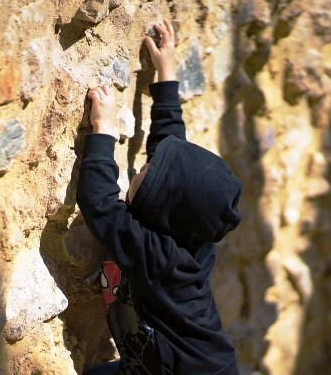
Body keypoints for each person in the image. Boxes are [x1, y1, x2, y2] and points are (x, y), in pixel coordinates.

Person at [76, 19, 243, 375]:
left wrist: (102, 131)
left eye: (149, 173)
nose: (142, 167)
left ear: (162, 205)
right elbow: (171, 148)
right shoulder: (184, 227)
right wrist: (166, 75)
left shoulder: (157, 256)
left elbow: (99, 204)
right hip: (168, 363)